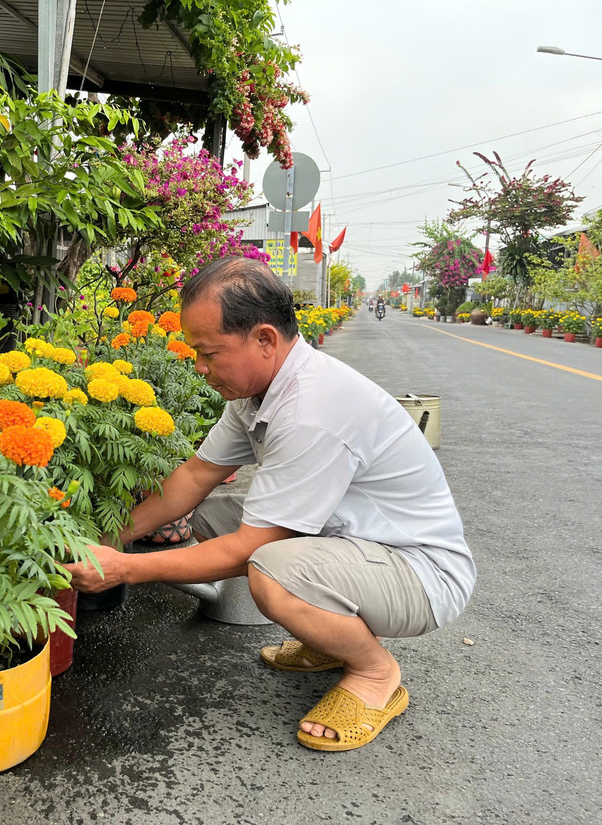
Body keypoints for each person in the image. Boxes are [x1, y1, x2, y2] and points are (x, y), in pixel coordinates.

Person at [65, 257, 475, 752]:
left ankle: (373, 672)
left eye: (209, 353)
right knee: (212, 514)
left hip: (420, 573)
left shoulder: (311, 410)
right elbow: (195, 476)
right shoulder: (258, 391)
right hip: (357, 544)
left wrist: (123, 568)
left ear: (264, 339)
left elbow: (248, 550)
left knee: (269, 568)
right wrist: (110, 537)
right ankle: (327, 638)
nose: (199, 367)